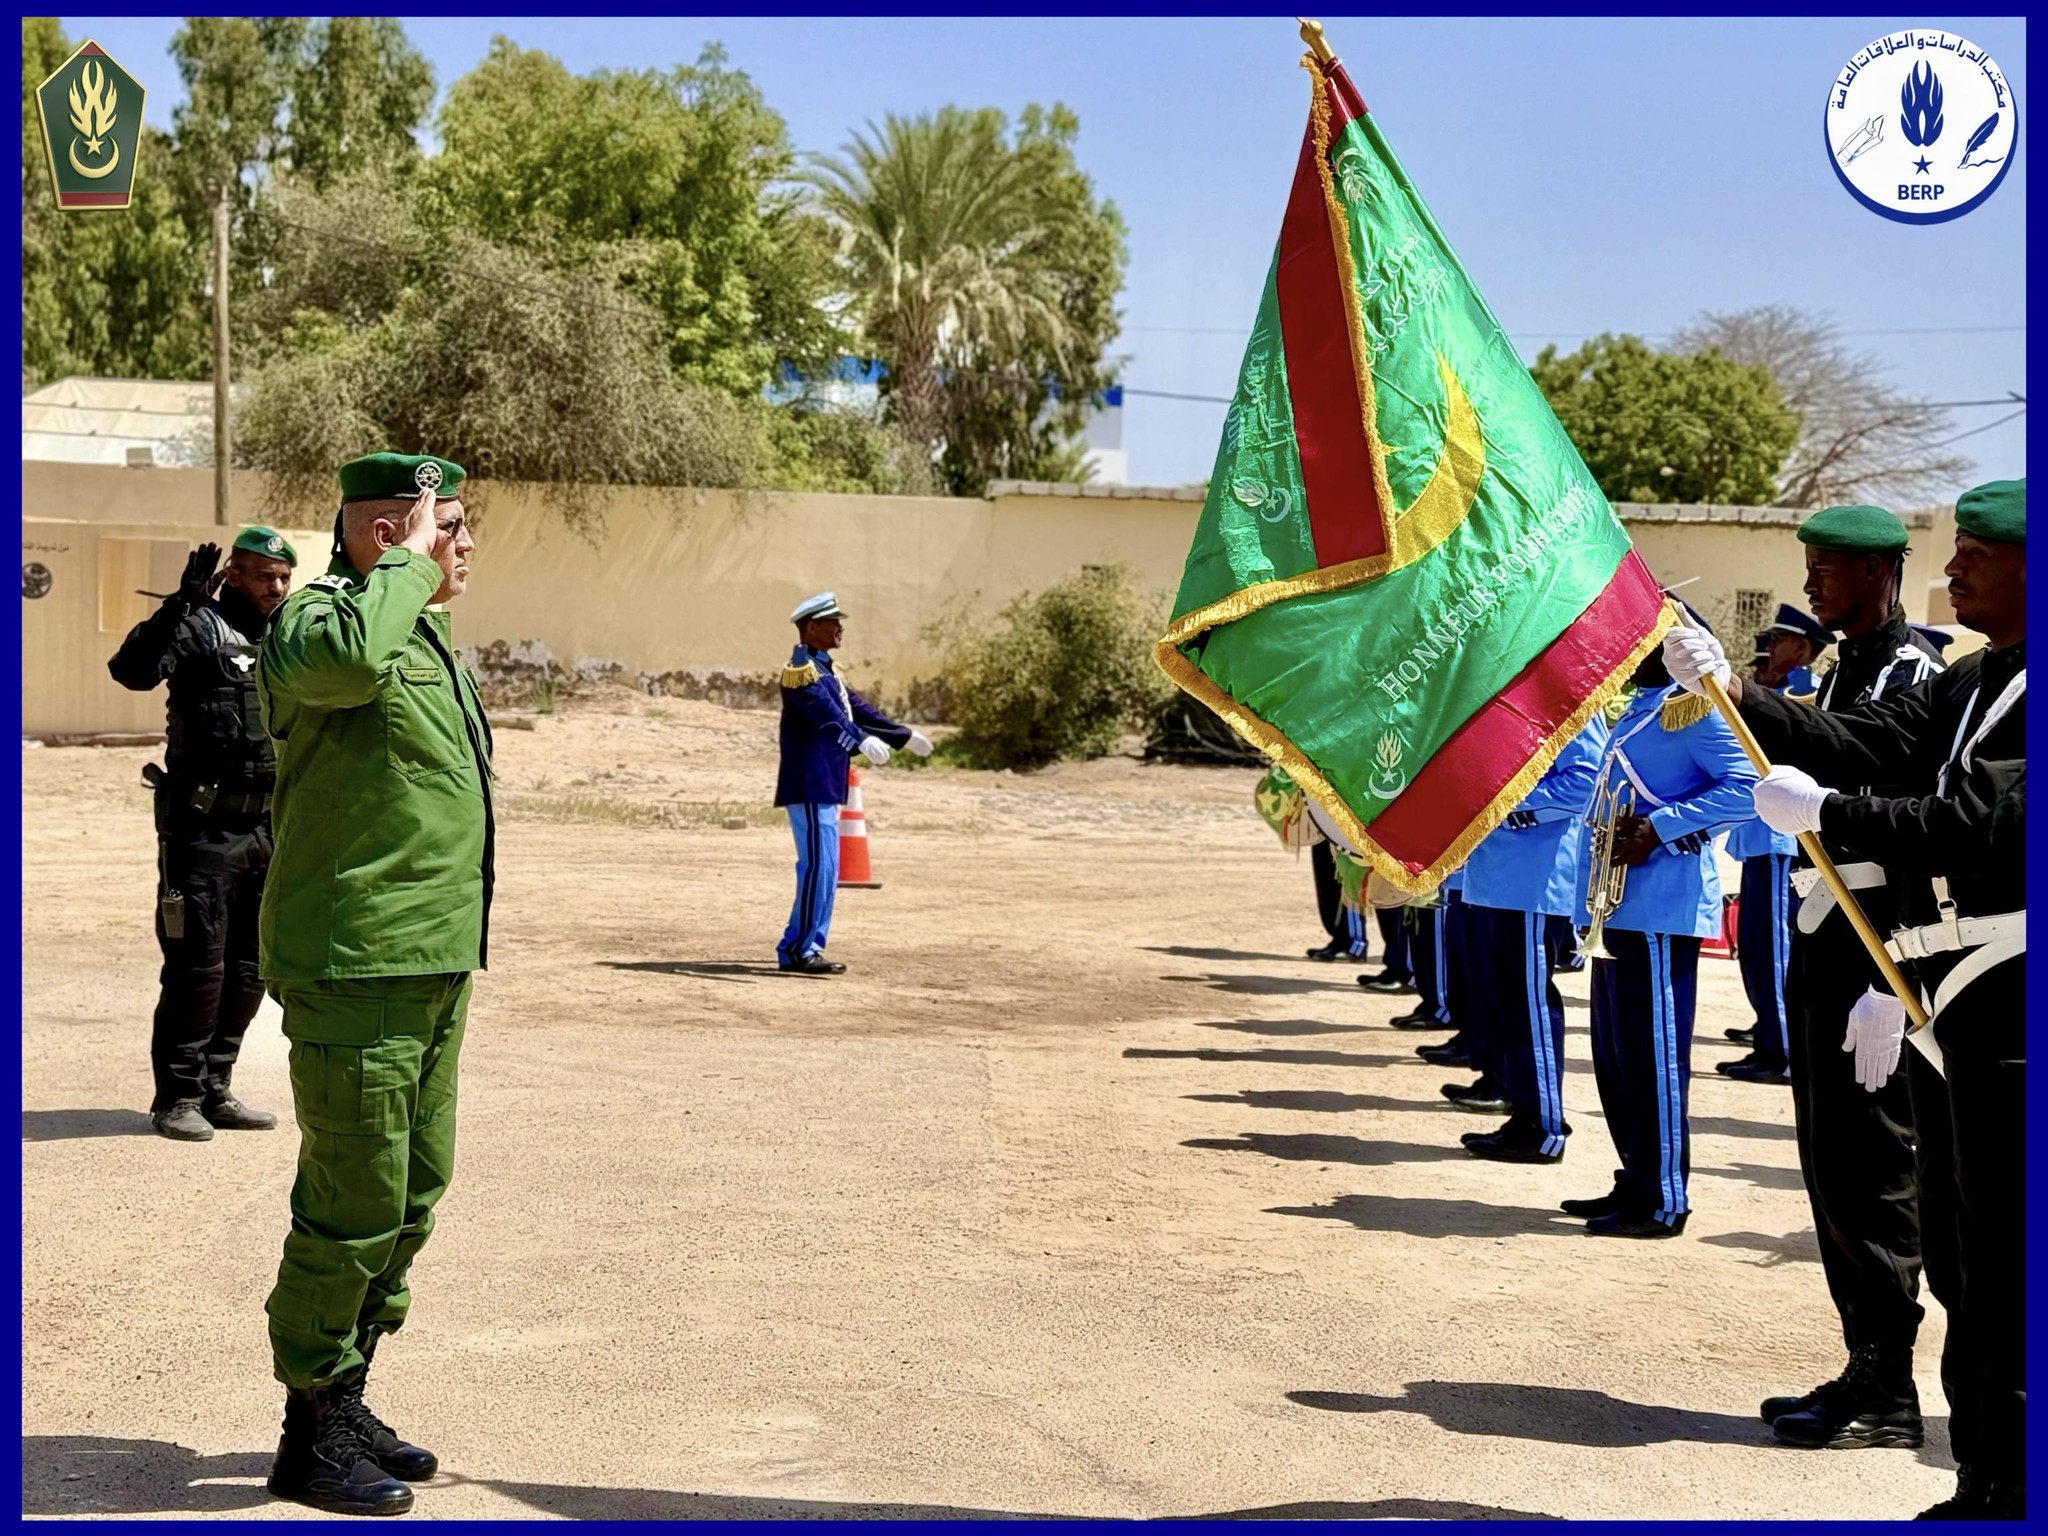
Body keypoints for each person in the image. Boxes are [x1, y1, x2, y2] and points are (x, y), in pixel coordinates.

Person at [1665, 479, 2025, 1519]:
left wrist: (1835, 815)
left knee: (1998, 1251)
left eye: (1976, 556)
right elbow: (1869, 743)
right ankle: (1984, 1476)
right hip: (1944, 985)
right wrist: (1732, 691)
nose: (1951, 569)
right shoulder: (1974, 679)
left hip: (2006, 991)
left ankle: (2004, 1480)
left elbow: (1982, 823)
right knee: (1962, 1248)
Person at [257, 453, 489, 1516]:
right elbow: (349, 664)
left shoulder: (422, 633)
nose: (464, 544)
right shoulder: (319, 622)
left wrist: (411, 575)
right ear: (389, 534)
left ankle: (347, 1396)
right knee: (352, 1200)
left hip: (430, 957)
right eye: (450, 524)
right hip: (356, 961)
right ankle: (307, 1434)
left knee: (410, 1195)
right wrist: (406, 565)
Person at [1742, 509, 1945, 1448]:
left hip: (1874, 948)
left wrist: (1888, 974)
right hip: (1826, 936)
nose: (1812, 584)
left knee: (1877, 1175)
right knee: (1833, 1167)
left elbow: (1869, 759)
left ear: (1876, 571)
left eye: (1827, 568)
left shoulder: (1914, 672)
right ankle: (1866, 1362)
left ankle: (1888, 1391)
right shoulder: (1843, 666)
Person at [109, 527, 298, 1141]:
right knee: (198, 967)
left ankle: (217, 1088)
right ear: (233, 576)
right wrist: (178, 606)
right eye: (264, 576)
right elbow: (131, 671)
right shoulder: (198, 627)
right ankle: (178, 1098)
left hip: (269, 826)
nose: (277, 587)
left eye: (284, 577)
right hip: (203, 830)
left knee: (251, 967)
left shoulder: (287, 637)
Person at [1566, 643, 1757, 1238]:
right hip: (1617, 902)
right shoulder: (1641, 706)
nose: (1622, 652)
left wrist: (1661, 827)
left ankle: (1662, 1196)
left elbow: (1748, 783)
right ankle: (1637, 1178)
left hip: (1661, 904)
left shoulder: (1694, 707)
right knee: (1617, 1056)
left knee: (1653, 1058)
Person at [1458, 718, 1609, 1163]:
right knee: (1503, 1003)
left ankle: (1542, 1126)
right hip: (1492, 876)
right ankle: (1523, 1110)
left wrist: (1506, 805)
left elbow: (1585, 781)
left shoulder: (1568, 704)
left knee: (1528, 1005)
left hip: (1532, 879)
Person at [777, 593, 930, 973]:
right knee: (818, 869)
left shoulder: (825, 670)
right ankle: (798, 950)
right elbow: (827, 716)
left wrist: (902, 735)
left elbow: (856, 709)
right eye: (833, 622)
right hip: (810, 782)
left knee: (827, 870)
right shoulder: (801, 672)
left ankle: (805, 945)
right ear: (812, 627)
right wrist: (859, 741)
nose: (840, 628)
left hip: (826, 783)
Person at [1720, 605, 1834, 1085]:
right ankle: (1769, 1035)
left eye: (1778, 641)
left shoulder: (1804, 691)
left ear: (1802, 648)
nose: (1768, 648)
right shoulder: (1775, 689)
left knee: (1772, 949)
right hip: (1760, 836)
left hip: (1779, 838)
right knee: (1755, 948)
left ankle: (1782, 1050)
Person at [1307, 835, 1372, 963]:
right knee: (1326, 882)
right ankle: (1339, 939)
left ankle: (1354, 944)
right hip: (1324, 831)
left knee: (1349, 884)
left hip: (1349, 832)